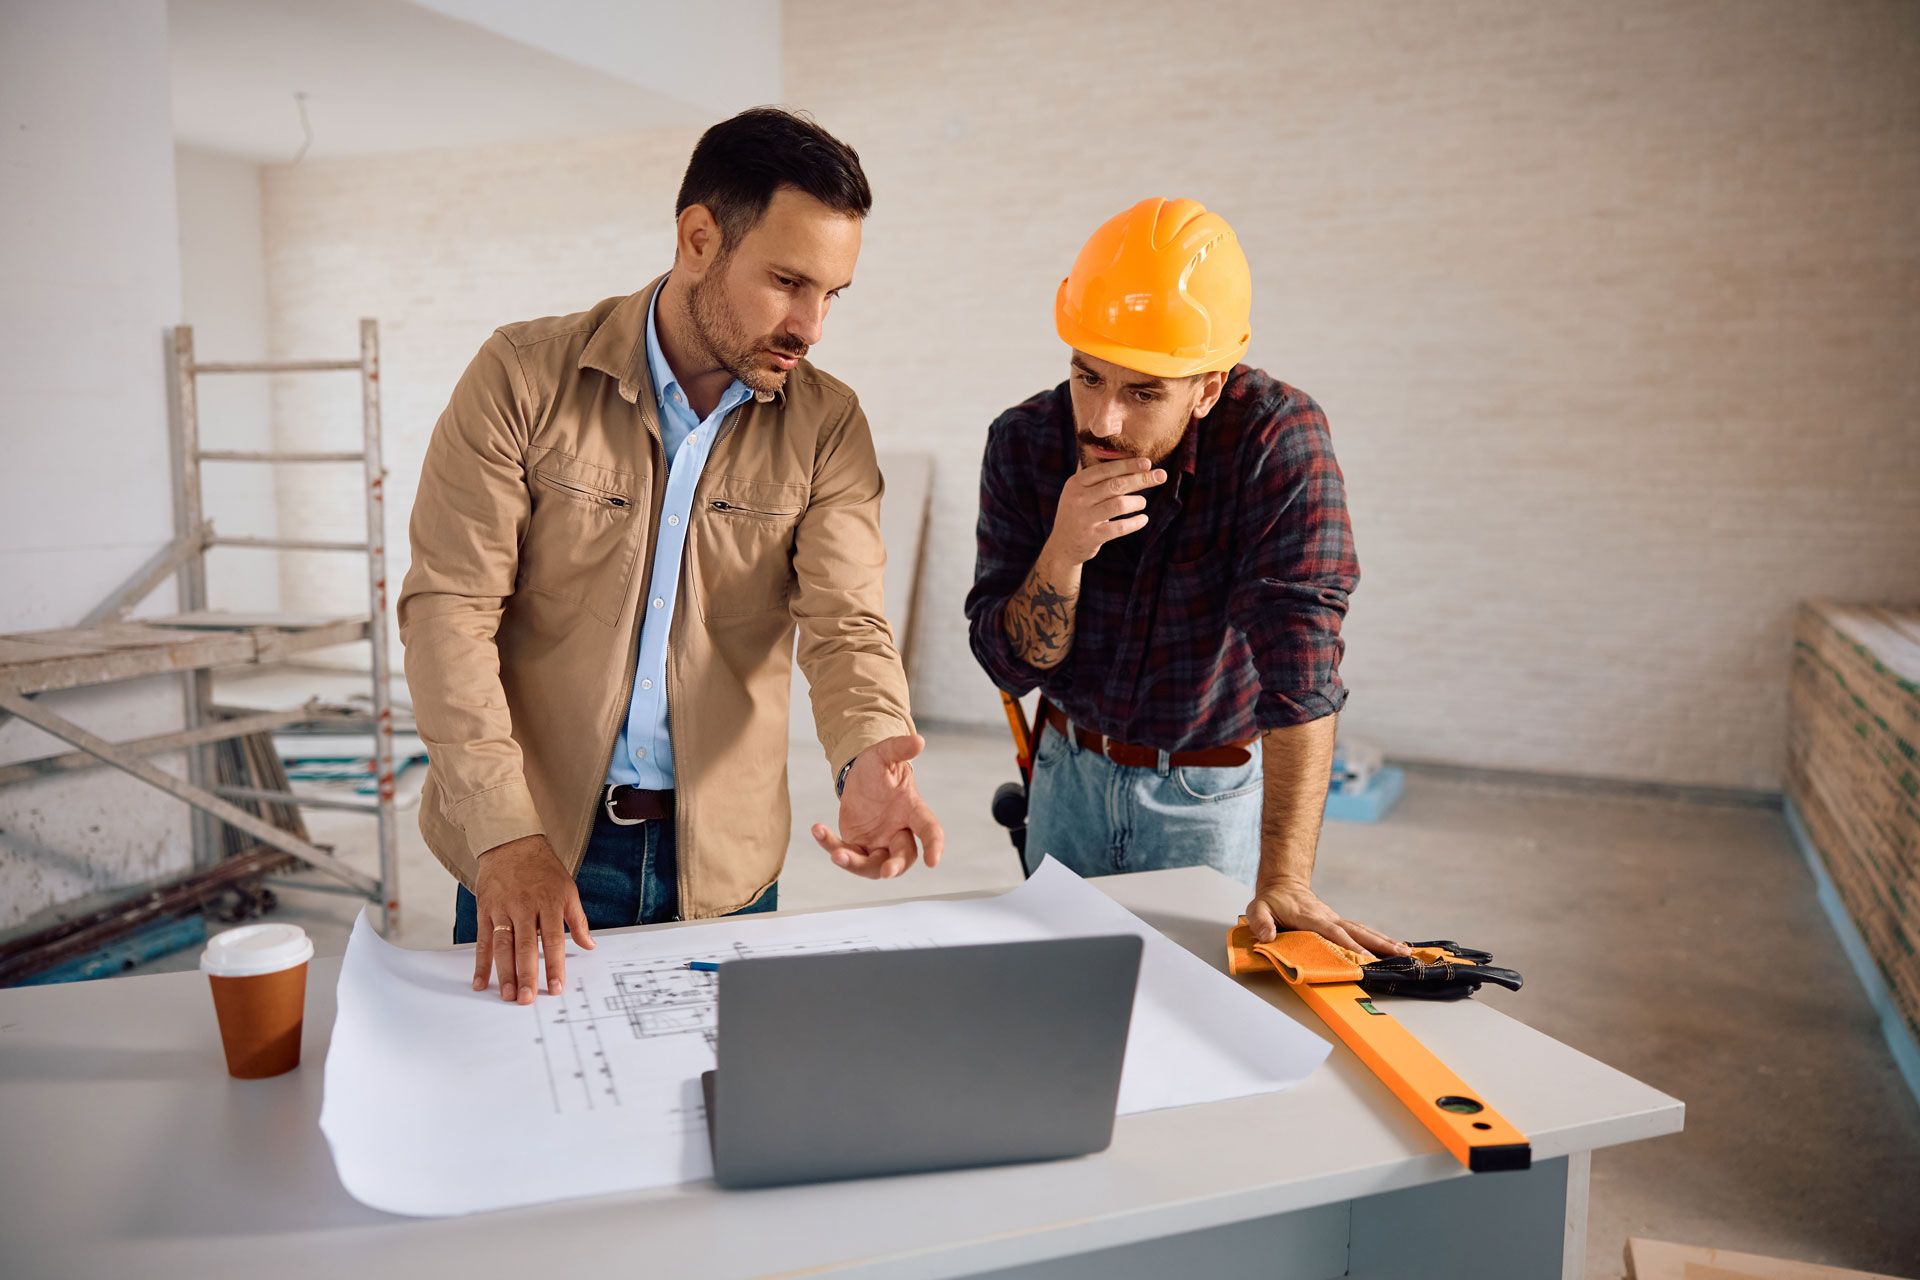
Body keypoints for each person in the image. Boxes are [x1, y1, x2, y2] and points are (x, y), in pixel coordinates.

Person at [400, 108, 944, 1005]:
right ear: (699, 238)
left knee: (711, 1119)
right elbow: (449, 612)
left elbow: (846, 621)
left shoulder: (828, 426)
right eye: (787, 282)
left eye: (832, 294)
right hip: (533, 852)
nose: (812, 326)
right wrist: (502, 834)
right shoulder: (523, 377)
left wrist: (869, 755)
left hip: (724, 869)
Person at [965, 197, 1402, 958]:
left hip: (1208, 794)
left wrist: (1287, 878)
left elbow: (1301, 669)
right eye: (1088, 376)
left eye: (1143, 393)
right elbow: (1008, 662)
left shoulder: (1275, 442)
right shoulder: (1024, 442)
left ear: (1207, 386)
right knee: (1054, 1001)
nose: (1103, 420)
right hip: (1065, 775)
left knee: (1201, 1014)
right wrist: (1063, 553)